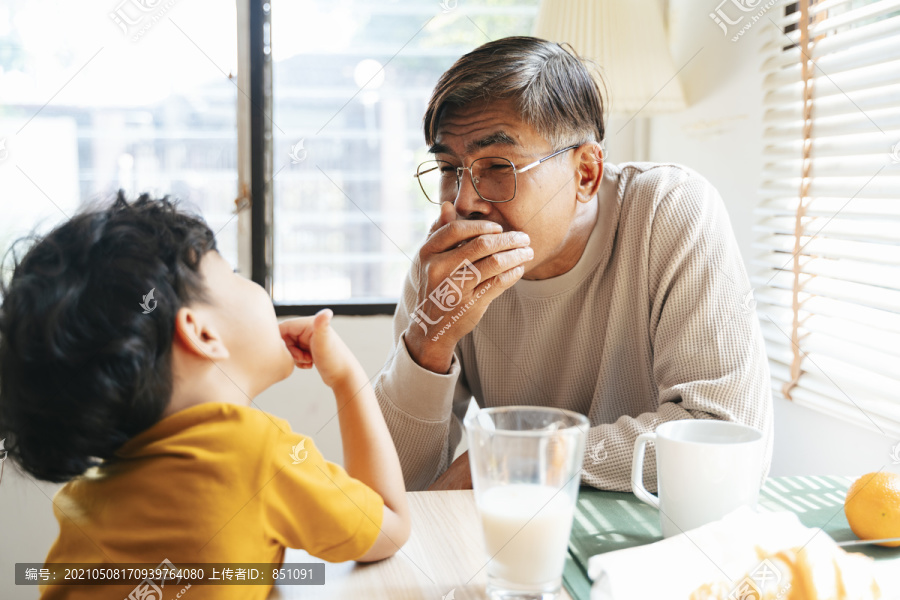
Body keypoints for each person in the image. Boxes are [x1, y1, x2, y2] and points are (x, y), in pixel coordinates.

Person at [374, 36, 773, 492]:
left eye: (497, 165)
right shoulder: (443, 268)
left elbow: (727, 436)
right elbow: (399, 492)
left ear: (585, 172)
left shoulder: (669, 211)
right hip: (523, 538)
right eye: (449, 168)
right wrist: (429, 342)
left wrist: (525, 457)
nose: (464, 202)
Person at [0, 193, 410, 599]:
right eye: (231, 273)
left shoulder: (82, 501)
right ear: (203, 333)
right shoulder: (255, 455)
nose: (249, 284)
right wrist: (346, 377)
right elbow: (389, 525)